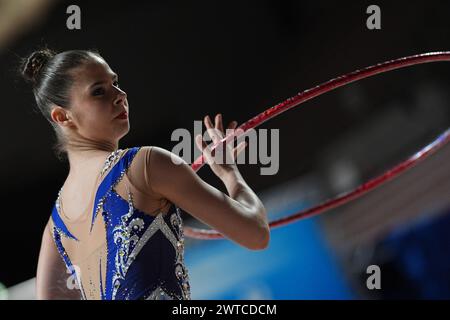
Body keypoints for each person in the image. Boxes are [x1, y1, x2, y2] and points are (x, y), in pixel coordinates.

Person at [21, 48, 270, 300]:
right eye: (99, 91)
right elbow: (256, 233)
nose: (120, 95)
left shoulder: (54, 230)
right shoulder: (146, 165)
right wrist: (230, 175)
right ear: (63, 116)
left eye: (115, 83)